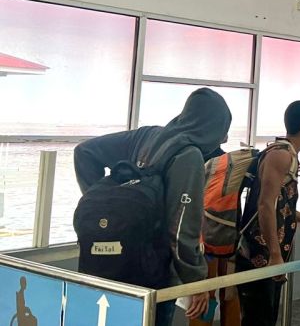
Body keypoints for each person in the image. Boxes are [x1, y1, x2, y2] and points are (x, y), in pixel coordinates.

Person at [74, 88, 231, 325]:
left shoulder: (145, 136)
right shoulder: (188, 156)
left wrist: (108, 209)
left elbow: (84, 152)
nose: (224, 139)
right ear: (211, 127)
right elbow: (181, 229)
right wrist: (197, 282)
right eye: (222, 130)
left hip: (108, 264)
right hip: (153, 274)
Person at [237, 101, 300, 326]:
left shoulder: (287, 154)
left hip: (270, 254)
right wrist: (274, 254)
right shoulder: (281, 155)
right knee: (258, 319)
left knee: (266, 317)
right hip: (260, 254)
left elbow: (277, 203)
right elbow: (265, 204)